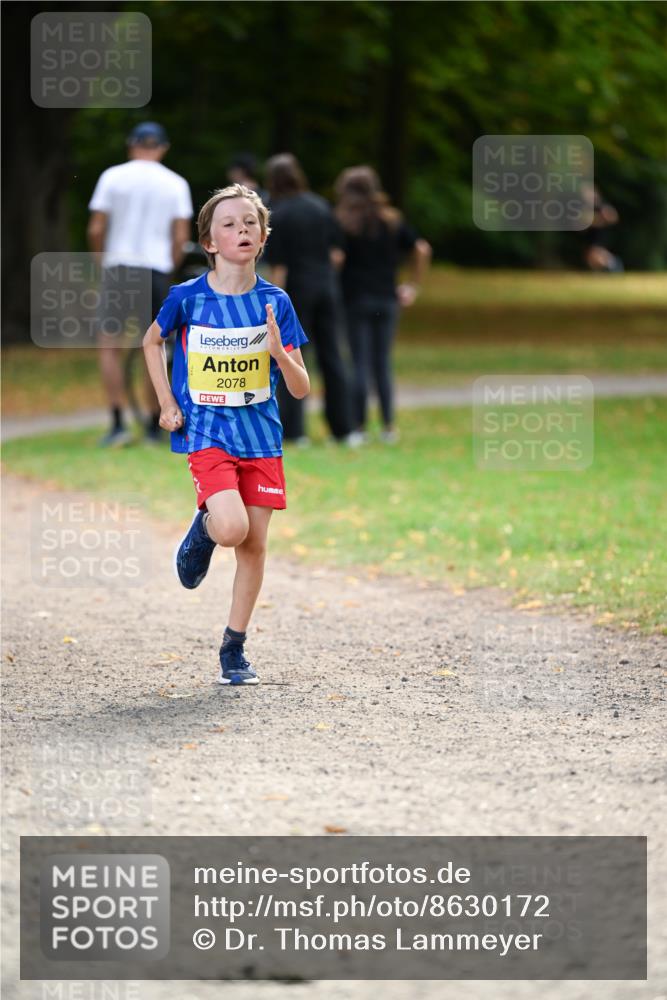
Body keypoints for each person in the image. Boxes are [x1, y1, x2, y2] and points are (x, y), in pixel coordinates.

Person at [143, 184, 309, 686]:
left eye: (250, 224)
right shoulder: (187, 298)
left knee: (254, 545)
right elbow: (152, 341)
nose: (242, 230)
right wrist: (167, 403)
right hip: (208, 434)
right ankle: (205, 530)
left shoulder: (275, 302)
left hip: (262, 438)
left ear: (263, 237)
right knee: (232, 529)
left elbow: (300, 389)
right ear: (209, 241)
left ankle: (233, 649)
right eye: (230, 224)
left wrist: (280, 353)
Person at [88, 121, 193, 446]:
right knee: (156, 346)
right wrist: (169, 268)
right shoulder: (175, 183)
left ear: (131, 144)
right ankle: (153, 423)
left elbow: (95, 228)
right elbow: (180, 237)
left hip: (119, 266)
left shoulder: (112, 176)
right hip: (156, 270)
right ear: (163, 147)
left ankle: (118, 423)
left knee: (110, 347)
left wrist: (101, 263)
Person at [263, 153, 358, 446]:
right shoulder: (320, 206)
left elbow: (279, 265)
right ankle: (344, 429)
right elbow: (337, 254)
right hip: (327, 287)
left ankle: (294, 430)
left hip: (296, 291)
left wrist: (273, 305)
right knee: (333, 357)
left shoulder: (277, 211)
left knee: (291, 357)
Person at [334, 166, 431, 443]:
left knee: (360, 363)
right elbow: (422, 248)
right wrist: (413, 284)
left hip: (354, 299)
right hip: (387, 299)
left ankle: (360, 426)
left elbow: (337, 259)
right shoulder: (392, 220)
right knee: (382, 363)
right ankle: (389, 426)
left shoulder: (344, 224)